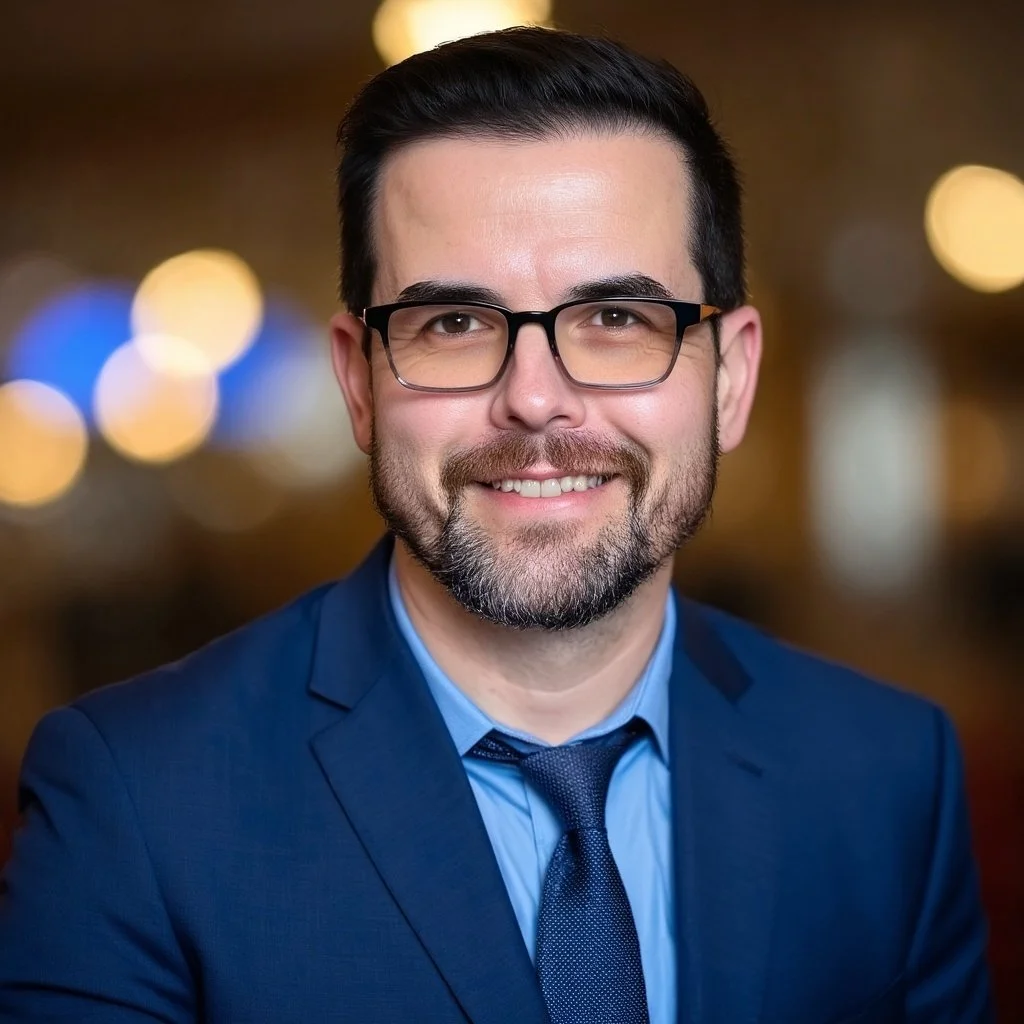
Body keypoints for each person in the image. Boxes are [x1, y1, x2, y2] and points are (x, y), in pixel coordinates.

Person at [0, 28, 993, 1024]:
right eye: (454, 324)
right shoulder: (134, 797)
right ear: (359, 382)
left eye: (614, 319)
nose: (534, 401)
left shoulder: (889, 775)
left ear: (730, 377)